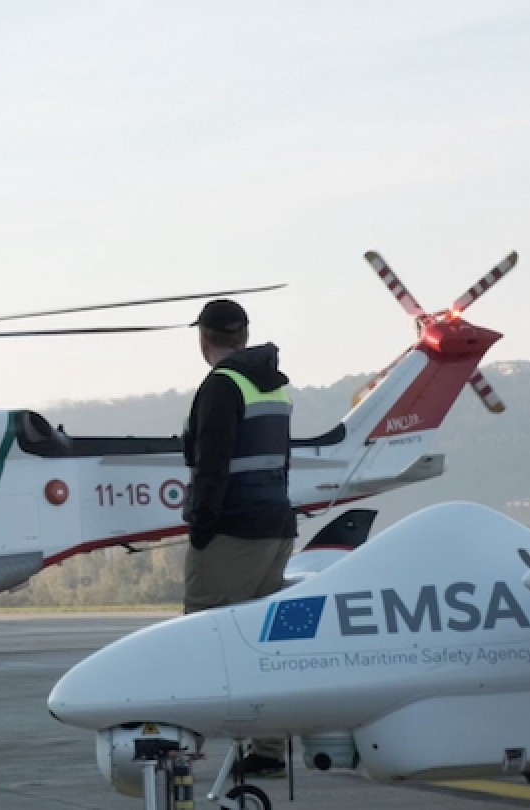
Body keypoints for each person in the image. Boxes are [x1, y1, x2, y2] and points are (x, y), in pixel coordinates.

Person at [182, 298, 297, 779]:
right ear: (243, 336)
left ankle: (186, 738)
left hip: (233, 528)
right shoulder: (273, 387)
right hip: (275, 526)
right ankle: (269, 747)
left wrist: (203, 526)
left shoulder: (222, 385)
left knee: (202, 633)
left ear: (204, 337)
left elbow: (212, 463)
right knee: (265, 640)